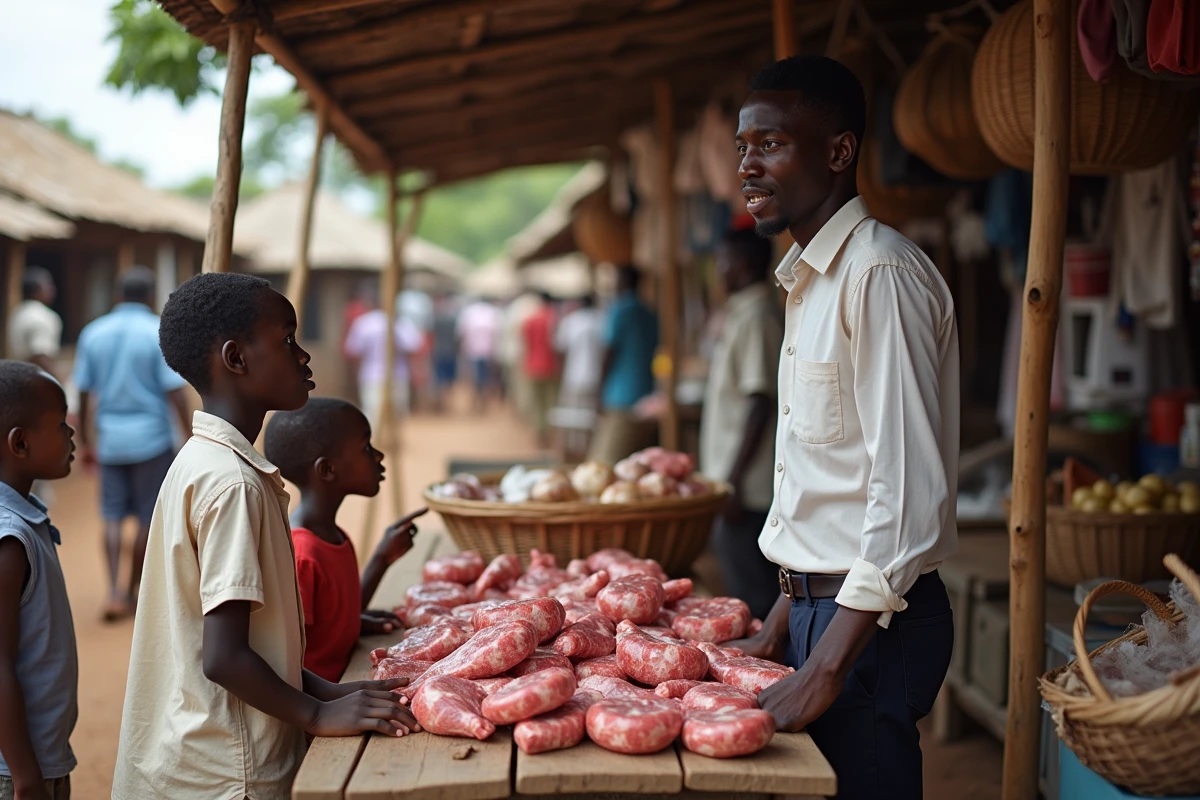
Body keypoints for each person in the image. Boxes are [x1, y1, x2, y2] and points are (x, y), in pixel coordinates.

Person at [724, 56, 959, 800]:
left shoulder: (878, 274)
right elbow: (834, 486)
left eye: (770, 144)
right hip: (820, 612)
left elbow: (907, 493)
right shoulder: (807, 281)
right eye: (742, 147)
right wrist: (778, 621)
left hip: (871, 627)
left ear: (837, 151)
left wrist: (827, 664)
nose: (747, 166)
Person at [112, 274, 416, 800]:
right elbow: (225, 657)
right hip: (229, 769)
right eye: (288, 339)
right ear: (236, 358)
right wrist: (317, 713)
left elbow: (255, 645)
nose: (304, 356)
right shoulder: (232, 485)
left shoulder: (205, 463)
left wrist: (329, 689)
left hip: (199, 755)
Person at [264, 398, 426, 682]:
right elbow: (282, 663)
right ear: (327, 470)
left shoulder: (332, 535)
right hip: (322, 709)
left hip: (345, 685)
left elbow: (328, 621)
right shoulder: (302, 553)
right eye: (366, 448)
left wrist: (382, 559)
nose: (378, 456)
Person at [73, 267, 191, 622]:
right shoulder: (156, 332)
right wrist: (188, 436)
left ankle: (112, 592)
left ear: (117, 294)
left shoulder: (93, 333)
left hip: (110, 439)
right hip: (152, 439)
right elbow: (175, 392)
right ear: (153, 296)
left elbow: (82, 391)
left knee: (111, 516)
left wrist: (86, 440)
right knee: (146, 516)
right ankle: (133, 590)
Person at [0, 362, 77, 800]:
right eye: (61, 423)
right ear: (20, 441)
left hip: (36, 758)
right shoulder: (9, 537)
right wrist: (25, 774)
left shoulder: (26, 521)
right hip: (16, 770)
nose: (71, 434)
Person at [700, 228, 784, 620]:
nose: (718, 269)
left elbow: (760, 401)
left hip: (747, 487)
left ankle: (764, 674)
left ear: (744, 263)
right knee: (741, 582)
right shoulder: (742, 312)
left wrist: (733, 479)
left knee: (753, 592)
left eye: (723, 260)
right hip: (734, 481)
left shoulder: (757, 316)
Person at [590, 266, 659, 464]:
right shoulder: (650, 313)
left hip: (620, 397)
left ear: (623, 282)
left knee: (606, 462)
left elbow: (608, 352)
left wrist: (598, 391)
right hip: (645, 395)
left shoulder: (619, 310)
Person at [343, 301, 423, 427]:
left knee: (373, 412)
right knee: (396, 412)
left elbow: (353, 350)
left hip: (372, 375)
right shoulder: (401, 323)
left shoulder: (364, 323)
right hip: (397, 375)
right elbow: (414, 347)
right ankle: (391, 440)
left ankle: (375, 441)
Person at [554, 294, 604, 458]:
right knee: (590, 418)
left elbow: (560, 348)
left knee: (573, 419)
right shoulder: (602, 320)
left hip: (574, 376)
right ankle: (586, 452)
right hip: (597, 377)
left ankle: (573, 453)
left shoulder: (572, 321)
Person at [520, 293, 559, 448]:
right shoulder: (554, 319)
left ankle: (539, 432)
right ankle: (549, 433)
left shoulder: (530, 319)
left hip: (533, 365)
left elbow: (525, 342)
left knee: (537, 403)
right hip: (551, 366)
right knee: (550, 402)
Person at [7, 268, 61, 378]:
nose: (53, 290)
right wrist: (58, 384)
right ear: (36, 290)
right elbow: (40, 357)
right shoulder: (41, 316)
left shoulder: (18, 312)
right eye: (48, 285)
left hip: (17, 380)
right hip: (34, 383)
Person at [457, 297, 503, 413]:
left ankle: (480, 401)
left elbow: (461, 334)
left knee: (480, 378)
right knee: (480, 378)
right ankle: (480, 401)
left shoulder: (470, 313)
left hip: (479, 351)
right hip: (480, 351)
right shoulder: (490, 313)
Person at [430, 293, 460, 413]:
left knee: (439, 378)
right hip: (450, 352)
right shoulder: (453, 319)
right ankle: (448, 402)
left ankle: (441, 402)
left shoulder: (436, 319)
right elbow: (457, 337)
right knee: (449, 379)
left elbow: (431, 336)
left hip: (438, 351)